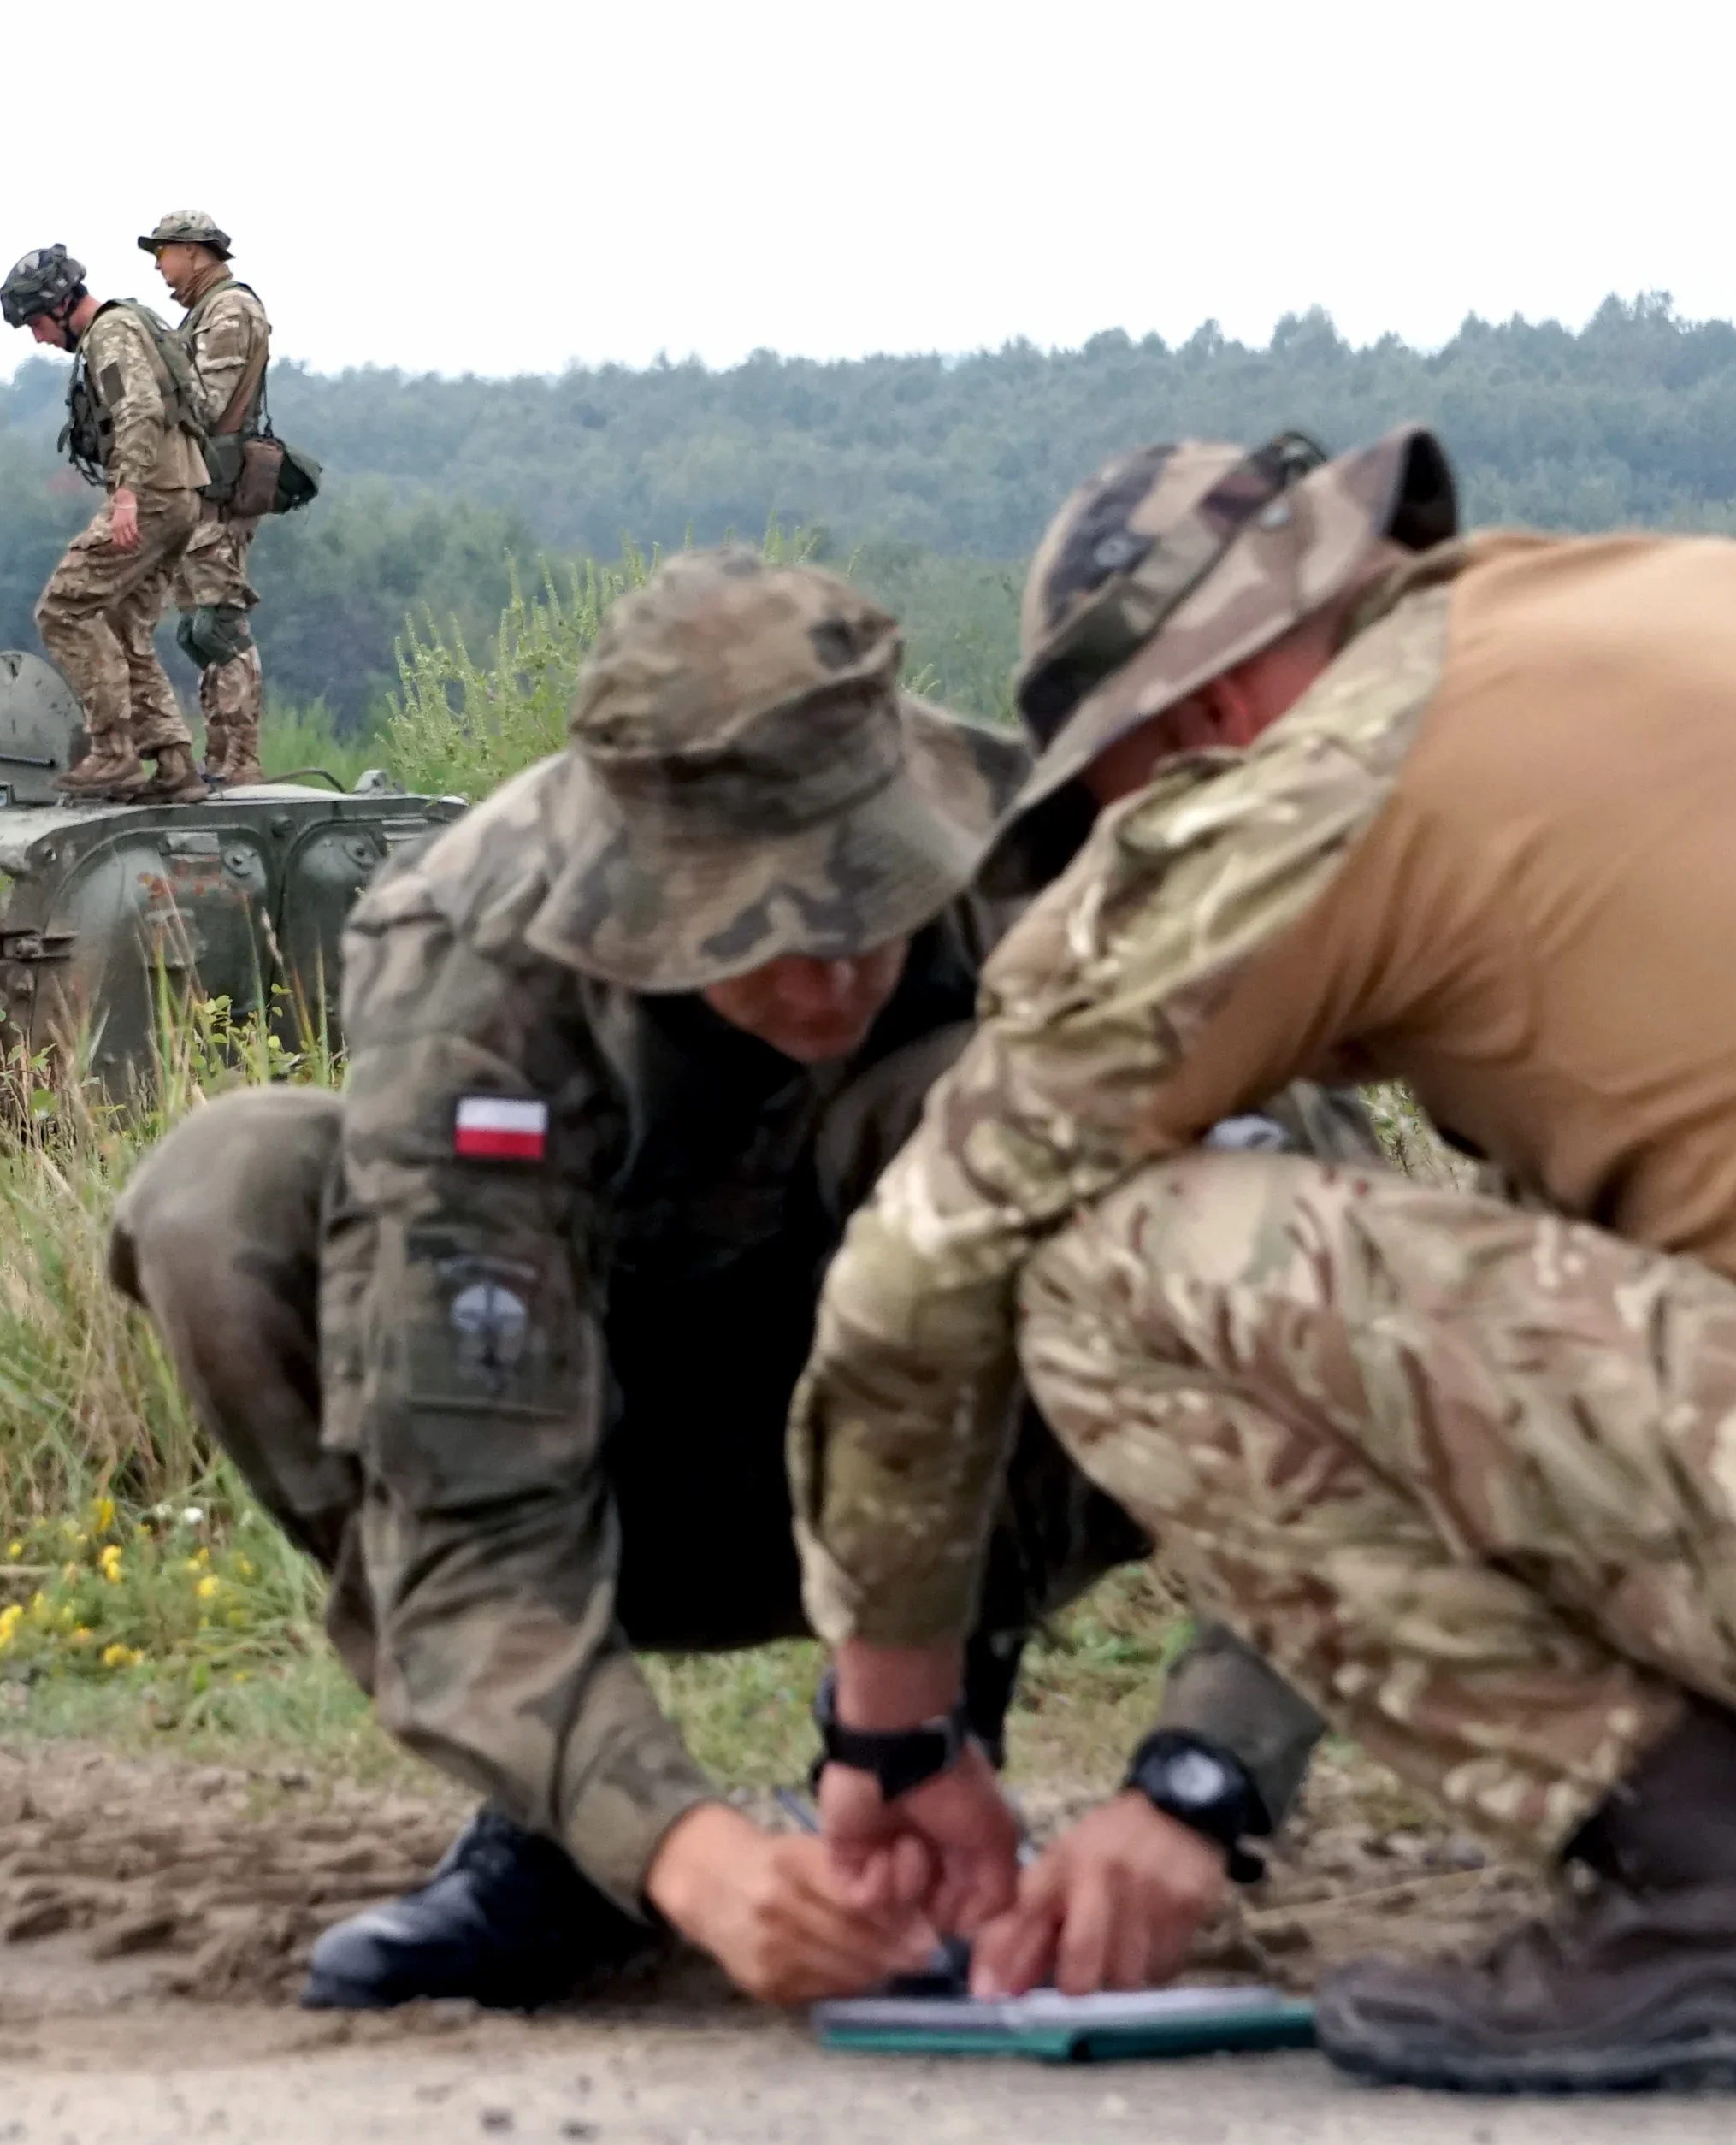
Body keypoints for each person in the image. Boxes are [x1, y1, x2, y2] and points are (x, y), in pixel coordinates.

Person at [774, 426, 1736, 2092]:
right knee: (1664, 1224)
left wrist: (890, 1730)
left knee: (1106, 1273)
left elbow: (927, 1263)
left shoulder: (1329, 773)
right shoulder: (1713, 616)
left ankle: (1719, 1898)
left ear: (1198, 725)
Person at [109, 550, 1334, 2011]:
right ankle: (563, 1824)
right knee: (223, 1189)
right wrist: (680, 1851)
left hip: (1005, 1481)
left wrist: (1199, 1778)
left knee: (993, 1111)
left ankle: (925, 1719)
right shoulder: (480, 965)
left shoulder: (1068, 877)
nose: (823, 976)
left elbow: (1357, 1350)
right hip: (623, 1479)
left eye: (861, 904)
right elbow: (460, 1509)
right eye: (749, 930)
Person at [0, 245, 206, 802]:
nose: (39, 338)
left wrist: (127, 497)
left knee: (64, 610)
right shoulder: (132, 323)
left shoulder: (109, 335)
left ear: (61, 306)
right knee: (122, 625)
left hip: (154, 494)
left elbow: (138, 408)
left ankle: (112, 752)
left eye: (38, 323)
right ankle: (173, 762)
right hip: (182, 493)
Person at [139, 210, 271, 787]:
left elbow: (208, 406)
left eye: (164, 254)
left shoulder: (228, 311)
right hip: (199, 493)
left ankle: (238, 759)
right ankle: (220, 756)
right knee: (199, 628)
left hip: (216, 494)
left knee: (220, 626)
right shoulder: (206, 313)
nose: (160, 268)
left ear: (195, 252)